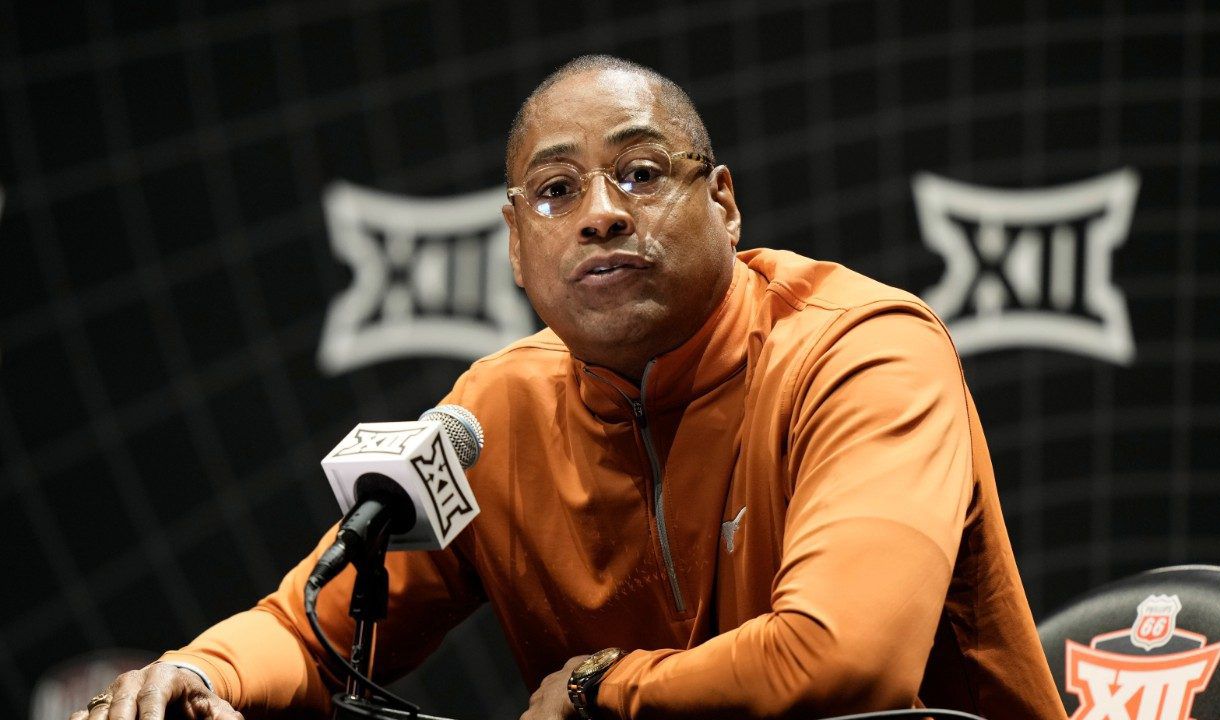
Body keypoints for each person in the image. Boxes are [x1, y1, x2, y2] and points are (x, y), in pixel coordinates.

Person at [71, 55, 1067, 720]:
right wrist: (201, 674)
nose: (598, 214)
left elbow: (844, 660)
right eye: (555, 191)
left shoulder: (860, 352)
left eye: (639, 173)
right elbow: (311, 628)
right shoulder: (499, 414)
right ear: (514, 244)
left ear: (721, 204)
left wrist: (600, 689)